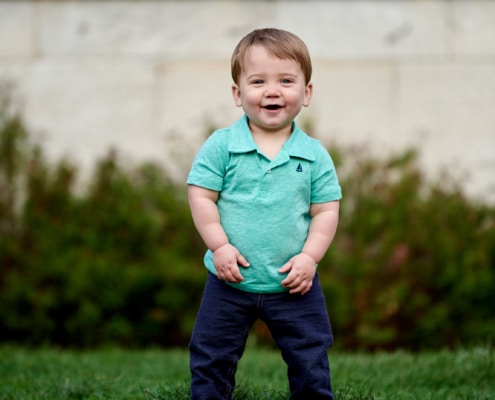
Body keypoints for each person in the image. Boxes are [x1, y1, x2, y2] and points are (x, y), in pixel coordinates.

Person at [186, 27, 342, 400]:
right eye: (258, 81)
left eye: (286, 80)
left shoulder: (314, 154)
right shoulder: (222, 146)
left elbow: (325, 211)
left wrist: (310, 257)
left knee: (310, 356)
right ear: (238, 94)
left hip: (294, 283)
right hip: (230, 281)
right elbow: (201, 196)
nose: (272, 91)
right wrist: (219, 247)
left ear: (306, 93)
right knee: (211, 355)